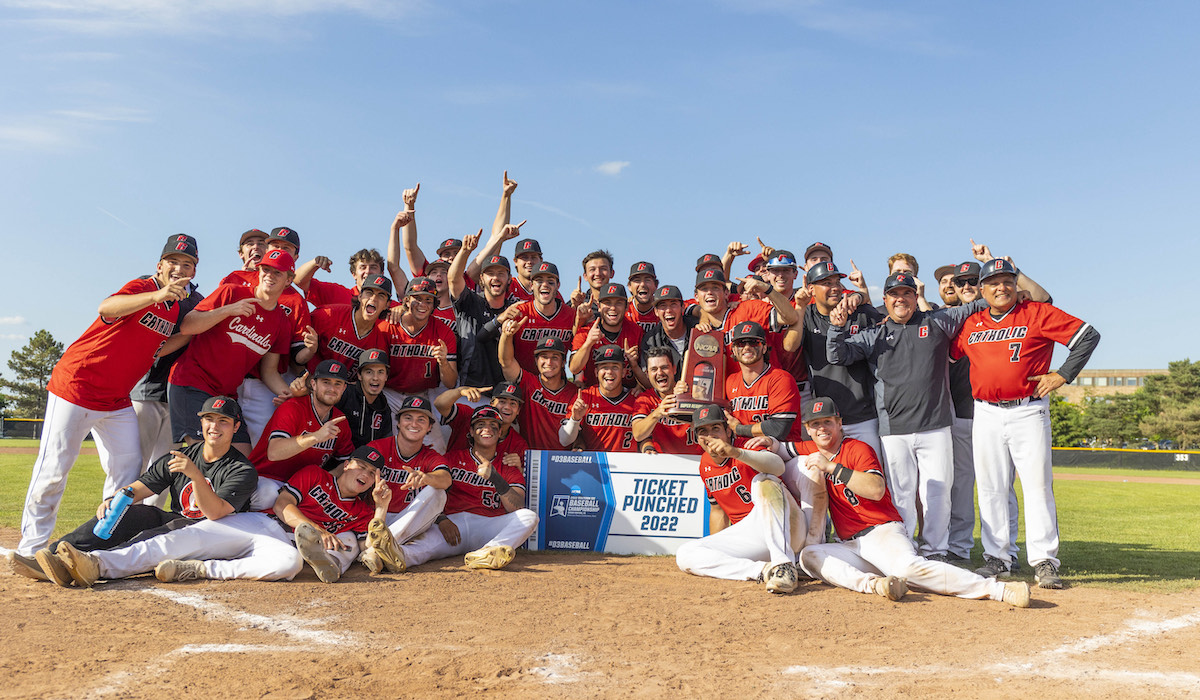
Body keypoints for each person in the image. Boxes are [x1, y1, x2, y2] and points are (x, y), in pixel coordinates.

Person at [17, 234, 197, 557]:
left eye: (187, 265)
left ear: (193, 273)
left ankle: (102, 543)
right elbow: (107, 307)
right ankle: (30, 550)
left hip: (115, 400)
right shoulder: (144, 287)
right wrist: (156, 294)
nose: (179, 268)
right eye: (173, 261)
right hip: (76, 386)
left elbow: (160, 346)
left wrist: (184, 334)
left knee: (128, 470)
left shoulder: (175, 311)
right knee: (54, 469)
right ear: (160, 266)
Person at [785, 397, 1031, 607]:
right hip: (850, 545)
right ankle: (876, 585)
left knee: (909, 569)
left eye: (827, 422)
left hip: (881, 533)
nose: (822, 429)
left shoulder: (857, 448)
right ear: (807, 428)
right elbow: (781, 448)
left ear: (839, 423)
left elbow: (876, 489)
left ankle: (996, 590)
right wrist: (765, 443)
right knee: (810, 555)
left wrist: (832, 468)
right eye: (815, 424)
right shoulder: (809, 447)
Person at [952, 258, 1100, 588]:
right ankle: (997, 558)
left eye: (1007, 281)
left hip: (1028, 409)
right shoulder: (972, 323)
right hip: (985, 412)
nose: (1000, 287)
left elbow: (1087, 335)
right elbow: (946, 354)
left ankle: (1044, 560)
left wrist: (1063, 373)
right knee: (990, 488)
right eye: (993, 282)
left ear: (1016, 285)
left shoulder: (1036, 313)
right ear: (982, 290)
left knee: (1036, 487)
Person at [46, 445, 393, 586]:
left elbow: (371, 541)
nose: (364, 474)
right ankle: (96, 564)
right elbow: (281, 504)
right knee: (185, 537)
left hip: (284, 546)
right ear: (347, 464)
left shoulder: (362, 511)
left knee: (290, 564)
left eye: (372, 473)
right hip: (261, 524)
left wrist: (380, 507)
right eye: (361, 465)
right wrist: (311, 525)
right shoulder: (315, 475)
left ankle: (199, 569)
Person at [826, 271, 988, 559]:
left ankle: (936, 550)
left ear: (916, 297)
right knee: (901, 495)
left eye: (907, 293)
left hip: (935, 426)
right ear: (885, 300)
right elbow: (838, 355)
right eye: (894, 294)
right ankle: (903, 550)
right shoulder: (875, 333)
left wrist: (1016, 292)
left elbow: (977, 304)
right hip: (894, 429)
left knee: (936, 493)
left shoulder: (936, 321)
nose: (901, 299)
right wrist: (837, 328)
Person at [27, 396, 256, 587]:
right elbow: (139, 488)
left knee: (155, 535)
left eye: (223, 421)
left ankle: (92, 563)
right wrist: (113, 501)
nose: (214, 427)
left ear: (236, 427)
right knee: (130, 512)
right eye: (209, 419)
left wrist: (195, 475)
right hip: (179, 520)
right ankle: (52, 556)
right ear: (201, 422)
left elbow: (215, 513)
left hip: (214, 532)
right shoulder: (182, 456)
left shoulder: (242, 469)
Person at [169, 248, 300, 455]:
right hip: (192, 382)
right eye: (266, 269)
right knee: (205, 459)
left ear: (289, 280)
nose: (269, 275)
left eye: (278, 272)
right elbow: (188, 326)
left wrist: (290, 395)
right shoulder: (232, 293)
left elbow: (269, 371)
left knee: (242, 460)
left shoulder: (282, 323)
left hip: (225, 394)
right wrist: (228, 310)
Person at [675, 404, 811, 594]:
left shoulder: (746, 445)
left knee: (764, 480)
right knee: (685, 554)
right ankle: (765, 571)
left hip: (787, 526)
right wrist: (715, 550)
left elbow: (778, 467)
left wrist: (735, 452)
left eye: (716, 428)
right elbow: (717, 511)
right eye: (703, 431)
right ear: (696, 437)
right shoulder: (704, 465)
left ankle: (784, 565)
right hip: (752, 535)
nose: (710, 436)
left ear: (727, 430)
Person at [391, 407, 539, 570]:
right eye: (481, 424)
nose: (487, 429)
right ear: (471, 431)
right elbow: (429, 495)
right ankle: (385, 557)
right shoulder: (452, 458)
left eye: (493, 425)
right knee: (420, 549)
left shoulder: (507, 464)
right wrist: (441, 519)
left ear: (499, 432)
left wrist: (495, 478)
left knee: (529, 517)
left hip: (488, 526)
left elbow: (516, 507)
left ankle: (487, 553)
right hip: (453, 525)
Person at [218, 227, 315, 445]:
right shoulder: (236, 279)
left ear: (295, 257)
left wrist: (311, 348)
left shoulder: (295, 300)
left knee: (256, 444)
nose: (279, 250)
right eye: (274, 245)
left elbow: (296, 353)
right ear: (266, 247)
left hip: (264, 383)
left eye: (286, 248)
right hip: (228, 376)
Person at [797, 261, 884, 458]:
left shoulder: (861, 313)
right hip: (825, 420)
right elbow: (790, 345)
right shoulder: (806, 315)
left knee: (874, 478)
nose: (835, 287)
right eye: (826, 283)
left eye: (837, 281)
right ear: (811, 289)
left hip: (864, 416)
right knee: (832, 483)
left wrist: (861, 294)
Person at [359, 395, 452, 574]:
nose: (414, 424)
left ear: (429, 427)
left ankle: (375, 549)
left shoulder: (431, 455)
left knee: (438, 491)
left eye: (421, 419)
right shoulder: (378, 448)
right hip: (377, 518)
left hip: (411, 519)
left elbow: (446, 478)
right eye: (408, 418)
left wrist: (426, 477)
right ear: (399, 423)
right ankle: (381, 552)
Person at [247, 359, 355, 508]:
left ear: (344, 388)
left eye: (337, 384)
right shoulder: (292, 407)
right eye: (326, 382)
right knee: (269, 495)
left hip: (299, 487)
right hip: (265, 477)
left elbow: (345, 464)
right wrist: (315, 436)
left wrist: (320, 481)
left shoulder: (340, 421)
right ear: (314, 384)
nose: (332, 388)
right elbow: (274, 452)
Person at [379, 276, 458, 451]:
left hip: (422, 395)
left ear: (434, 304)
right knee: (391, 446)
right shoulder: (388, 326)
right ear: (406, 301)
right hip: (389, 393)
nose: (423, 304)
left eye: (428, 300)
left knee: (437, 449)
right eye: (418, 298)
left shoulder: (443, 331)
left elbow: (451, 382)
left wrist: (443, 362)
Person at [449, 232, 518, 387]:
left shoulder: (515, 308)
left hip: (504, 394)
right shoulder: (470, 300)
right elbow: (453, 279)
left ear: (509, 279)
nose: (495, 277)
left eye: (501, 273)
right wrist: (465, 252)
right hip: (469, 389)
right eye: (490, 273)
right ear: (481, 279)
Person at [499, 329, 579, 452]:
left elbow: (569, 438)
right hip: (527, 457)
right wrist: (506, 335)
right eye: (544, 357)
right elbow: (506, 362)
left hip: (561, 460)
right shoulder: (528, 382)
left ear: (564, 362)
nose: (549, 362)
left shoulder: (574, 392)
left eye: (555, 357)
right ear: (536, 361)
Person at [724, 321, 803, 442]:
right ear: (733, 350)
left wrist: (739, 429)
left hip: (781, 449)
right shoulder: (730, 382)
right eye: (741, 343)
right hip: (744, 449)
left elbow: (778, 429)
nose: (747, 347)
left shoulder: (781, 379)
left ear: (764, 347)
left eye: (754, 342)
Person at [304, 274, 392, 374]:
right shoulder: (328, 315)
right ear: (360, 296)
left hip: (343, 386)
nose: (374, 298)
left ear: (387, 305)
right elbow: (295, 346)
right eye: (369, 293)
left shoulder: (379, 341)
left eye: (381, 295)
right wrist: (302, 374)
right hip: (307, 379)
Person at [560, 345, 642, 452]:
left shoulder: (636, 399)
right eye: (604, 367)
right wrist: (575, 419)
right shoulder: (585, 397)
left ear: (623, 372)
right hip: (595, 464)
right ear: (596, 372)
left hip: (628, 464)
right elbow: (564, 440)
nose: (609, 372)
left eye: (615, 367)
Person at [570, 282, 648, 389]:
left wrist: (639, 385)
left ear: (626, 307)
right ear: (599, 306)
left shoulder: (636, 331)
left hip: (628, 395)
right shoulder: (587, 330)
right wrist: (588, 343)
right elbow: (574, 368)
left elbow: (648, 377)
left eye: (618, 303)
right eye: (607, 303)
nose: (613, 308)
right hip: (594, 394)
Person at [504, 261, 576, 376]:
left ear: (558, 286)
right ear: (531, 285)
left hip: (556, 383)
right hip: (522, 382)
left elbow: (577, 354)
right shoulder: (519, 312)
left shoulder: (571, 315)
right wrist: (505, 335)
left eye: (550, 282)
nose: (545, 285)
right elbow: (505, 360)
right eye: (539, 281)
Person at [632, 348, 701, 455]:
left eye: (664, 367)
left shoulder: (692, 390)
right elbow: (638, 434)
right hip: (665, 463)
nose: (660, 373)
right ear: (647, 373)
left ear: (674, 369)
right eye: (654, 369)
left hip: (698, 460)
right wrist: (657, 413)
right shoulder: (645, 399)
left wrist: (683, 398)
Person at [638, 285, 695, 380]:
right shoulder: (650, 340)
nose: (668, 310)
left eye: (673, 304)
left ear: (683, 307)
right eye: (662, 306)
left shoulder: (698, 329)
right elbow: (650, 379)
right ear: (656, 312)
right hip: (667, 393)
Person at [625, 261, 660, 333]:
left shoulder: (664, 309)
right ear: (629, 286)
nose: (642, 284)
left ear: (656, 285)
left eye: (647, 280)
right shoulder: (624, 311)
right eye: (637, 280)